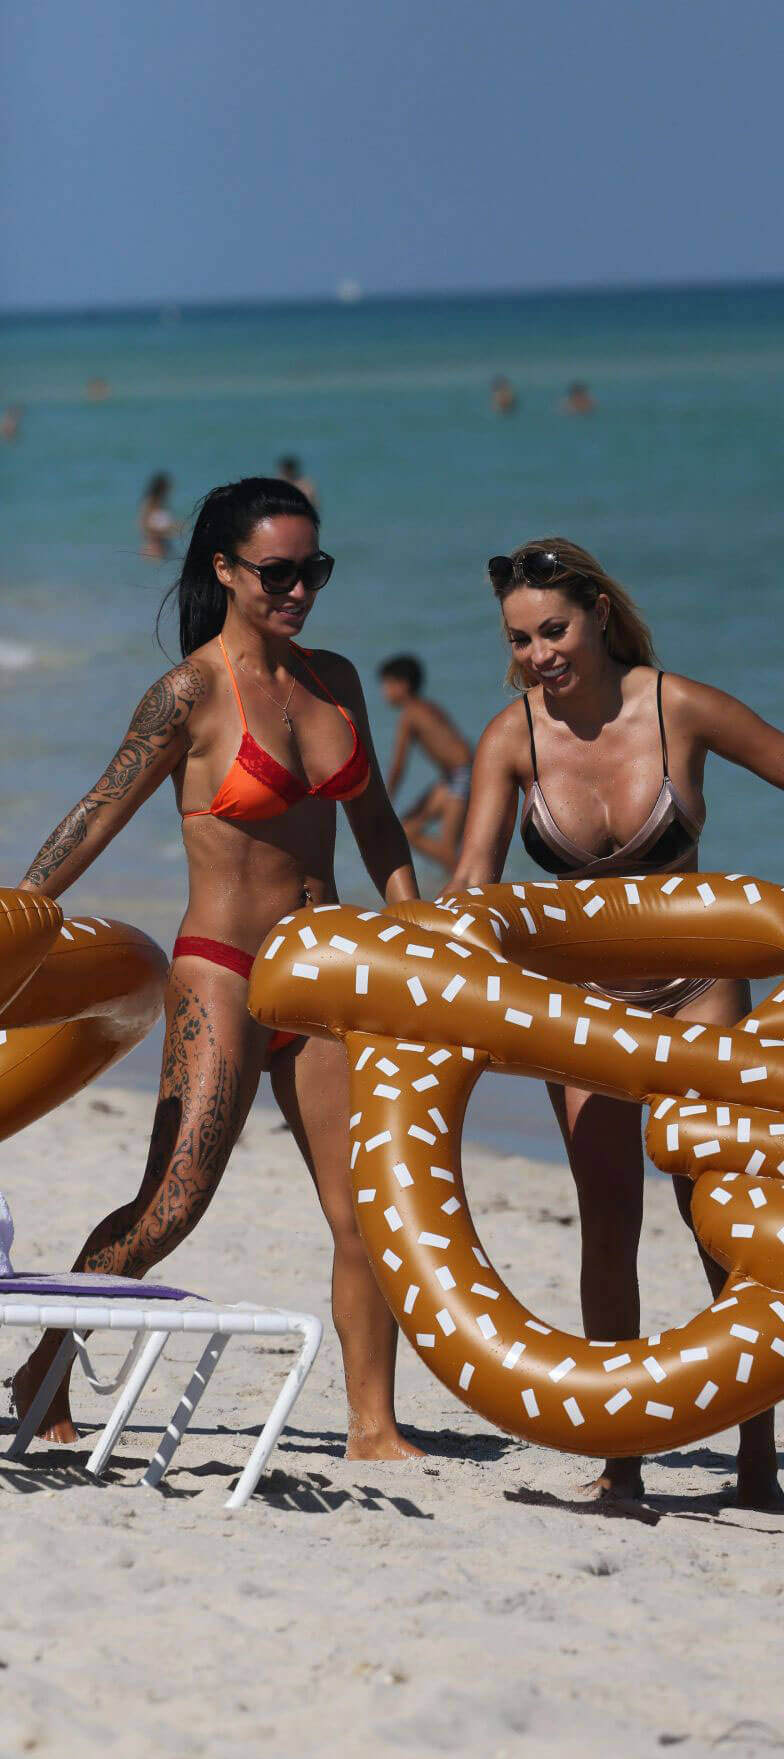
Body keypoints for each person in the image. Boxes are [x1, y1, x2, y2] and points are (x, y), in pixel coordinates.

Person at [11, 477, 423, 1461]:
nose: (299, 590)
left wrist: (423, 941)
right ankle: (47, 1364)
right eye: (277, 572)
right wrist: (20, 920)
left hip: (324, 975)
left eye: (313, 570)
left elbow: (376, 825)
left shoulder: (337, 680)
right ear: (225, 571)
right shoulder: (187, 694)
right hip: (224, 975)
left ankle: (373, 1425)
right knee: (171, 1205)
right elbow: (98, 810)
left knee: (363, 1209)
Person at [446, 539, 784, 1505]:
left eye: (555, 630)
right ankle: (621, 1458)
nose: (541, 653)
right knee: (608, 1223)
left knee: (722, 1223)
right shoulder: (512, 738)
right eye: (520, 640)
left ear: (597, 613)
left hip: (703, 991)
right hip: (582, 1013)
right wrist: (426, 956)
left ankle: (756, 1452)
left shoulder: (678, 706)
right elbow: (472, 882)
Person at [379, 655, 474, 874]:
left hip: (463, 775)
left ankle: (468, 884)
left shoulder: (410, 715)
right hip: (453, 776)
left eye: (386, 684)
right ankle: (462, 879)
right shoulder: (427, 707)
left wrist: (385, 802)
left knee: (448, 849)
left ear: (401, 685)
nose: (384, 692)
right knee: (408, 829)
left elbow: (398, 766)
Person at [139, 471, 182, 561]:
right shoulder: (149, 503)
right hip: (153, 548)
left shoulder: (162, 503)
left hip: (165, 546)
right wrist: (168, 531)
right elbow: (144, 525)